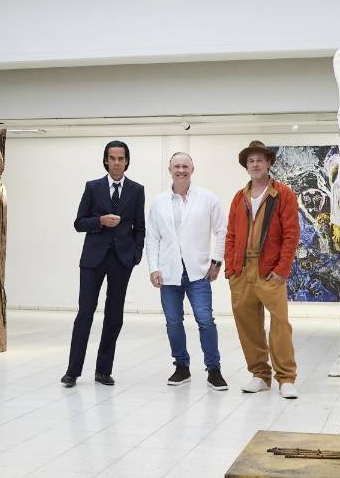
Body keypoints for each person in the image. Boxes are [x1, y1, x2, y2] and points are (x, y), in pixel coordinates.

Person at [62, 140, 146, 387]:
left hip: (122, 260)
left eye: (121, 158)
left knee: (114, 316)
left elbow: (140, 227)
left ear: (127, 161)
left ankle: (103, 370)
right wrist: (100, 221)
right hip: (93, 260)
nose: (116, 163)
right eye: (112, 158)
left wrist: (135, 255)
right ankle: (72, 371)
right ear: (106, 161)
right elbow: (79, 223)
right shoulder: (93, 187)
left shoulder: (137, 190)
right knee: (85, 313)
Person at [146, 152, 229, 390]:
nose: (181, 170)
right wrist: (153, 268)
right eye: (177, 166)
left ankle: (214, 370)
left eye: (185, 166)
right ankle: (181, 367)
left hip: (198, 272)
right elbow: (152, 238)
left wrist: (217, 261)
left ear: (192, 169)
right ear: (170, 170)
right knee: (173, 322)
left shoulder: (207, 198)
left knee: (206, 321)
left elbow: (222, 231)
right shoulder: (158, 203)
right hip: (169, 272)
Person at [225, 140, 300, 398]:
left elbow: (291, 235)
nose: (255, 164)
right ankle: (259, 374)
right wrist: (231, 268)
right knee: (248, 325)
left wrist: (282, 269)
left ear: (269, 163)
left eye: (259, 160)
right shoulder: (239, 197)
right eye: (251, 161)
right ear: (246, 166)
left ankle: (286, 378)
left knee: (280, 325)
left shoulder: (283, 194)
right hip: (242, 271)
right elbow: (231, 234)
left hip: (270, 271)